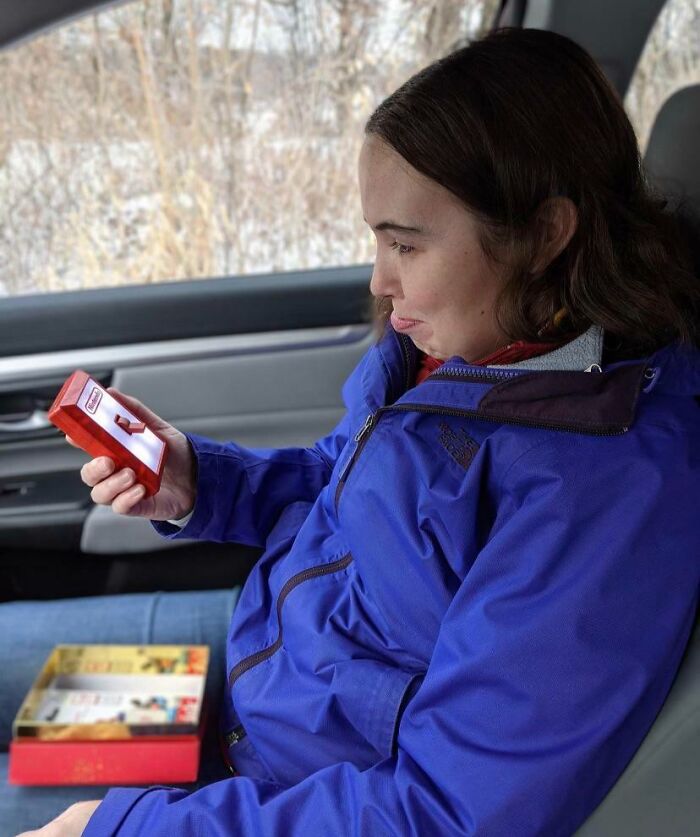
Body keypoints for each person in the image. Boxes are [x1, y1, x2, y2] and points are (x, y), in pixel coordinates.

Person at [4, 26, 700, 837]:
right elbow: (346, 482)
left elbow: (437, 810)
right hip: (254, 677)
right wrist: (204, 483)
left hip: (287, 787)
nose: (379, 278)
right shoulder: (465, 349)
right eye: (377, 238)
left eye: (405, 243)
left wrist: (122, 828)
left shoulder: (604, 494)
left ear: (545, 233)